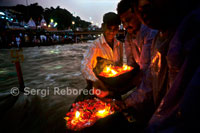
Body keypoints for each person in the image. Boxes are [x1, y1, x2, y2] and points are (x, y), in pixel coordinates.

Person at [123, 0, 200, 132]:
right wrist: (127, 102)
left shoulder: (190, 32)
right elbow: (151, 80)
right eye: (137, 6)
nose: (142, 9)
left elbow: (181, 104)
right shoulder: (160, 36)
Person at [81, 12, 123, 98]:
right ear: (103, 26)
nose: (112, 32)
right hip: (99, 89)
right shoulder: (95, 46)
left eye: (115, 29)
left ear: (118, 29)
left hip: (114, 89)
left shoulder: (119, 45)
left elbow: (120, 66)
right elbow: (84, 66)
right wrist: (95, 80)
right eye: (109, 28)